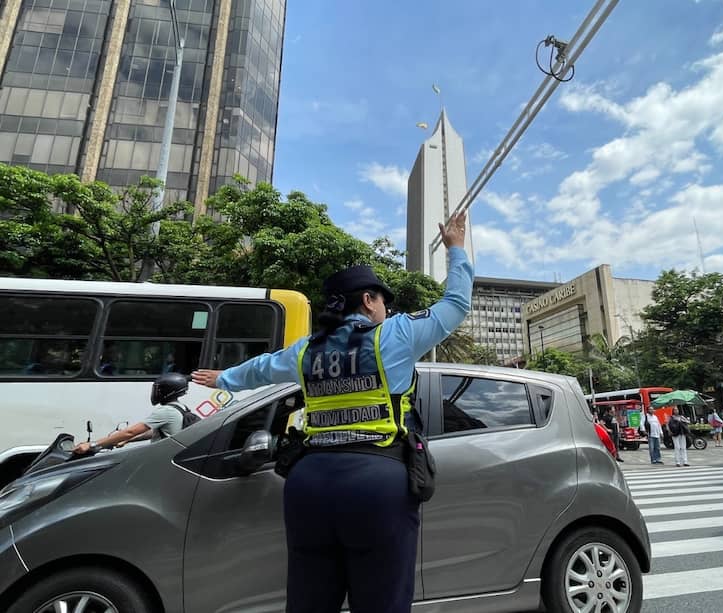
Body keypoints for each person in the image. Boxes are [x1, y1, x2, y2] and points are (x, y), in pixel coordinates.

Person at [191, 212, 472, 613]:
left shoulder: (307, 349)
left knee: (309, 600)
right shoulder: (396, 334)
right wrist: (456, 249)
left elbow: (262, 368)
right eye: (383, 301)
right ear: (368, 300)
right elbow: (457, 303)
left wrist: (223, 379)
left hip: (308, 485)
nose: (386, 310)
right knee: (382, 601)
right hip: (377, 483)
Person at [73, 372, 190, 454]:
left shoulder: (166, 411)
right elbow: (153, 432)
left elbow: (130, 431)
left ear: (167, 391)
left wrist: (92, 444)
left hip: (161, 459)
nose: (155, 392)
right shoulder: (181, 408)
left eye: (158, 389)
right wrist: (129, 440)